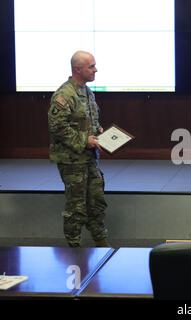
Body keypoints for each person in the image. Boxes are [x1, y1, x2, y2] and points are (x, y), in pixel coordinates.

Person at [48, 50, 110, 247]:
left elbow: (87, 120)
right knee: (76, 208)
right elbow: (57, 127)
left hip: (90, 158)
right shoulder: (64, 94)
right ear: (77, 69)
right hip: (72, 161)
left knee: (97, 202)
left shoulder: (87, 91)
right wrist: (85, 140)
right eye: (91, 66)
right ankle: (74, 250)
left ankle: (101, 244)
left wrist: (98, 130)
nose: (95, 70)